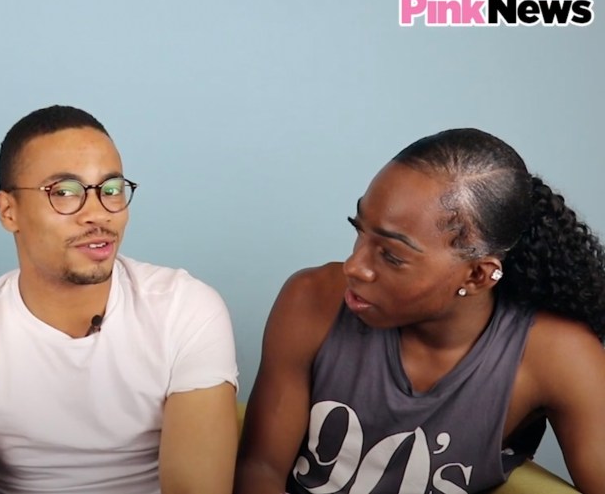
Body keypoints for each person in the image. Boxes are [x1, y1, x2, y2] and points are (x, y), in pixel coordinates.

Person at [235, 128, 605, 494]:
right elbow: (260, 468)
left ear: (477, 275)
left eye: (392, 256)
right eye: (359, 230)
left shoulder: (557, 357)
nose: (354, 266)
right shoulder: (311, 299)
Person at [0, 105, 239, 494]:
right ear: (8, 211)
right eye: (65, 193)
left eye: (112, 190)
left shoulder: (185, 309)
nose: (97, 213)